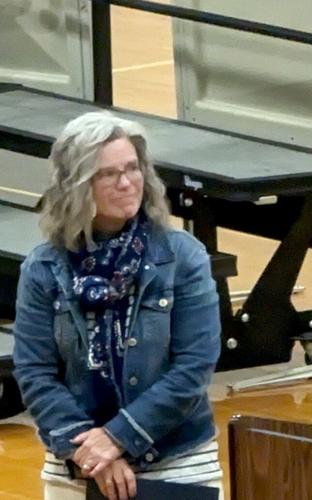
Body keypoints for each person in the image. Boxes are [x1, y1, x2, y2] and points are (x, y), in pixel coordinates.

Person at [13, 111, 223, 500]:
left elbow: (193, 369)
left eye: (132, 168)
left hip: (176, 460)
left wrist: (118, 436)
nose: (126, 183)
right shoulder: (43, 268)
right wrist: (97, 453)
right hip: (77, 463)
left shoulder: (183, 257)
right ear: (75, 186)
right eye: (108, 174)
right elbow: (35, 373)